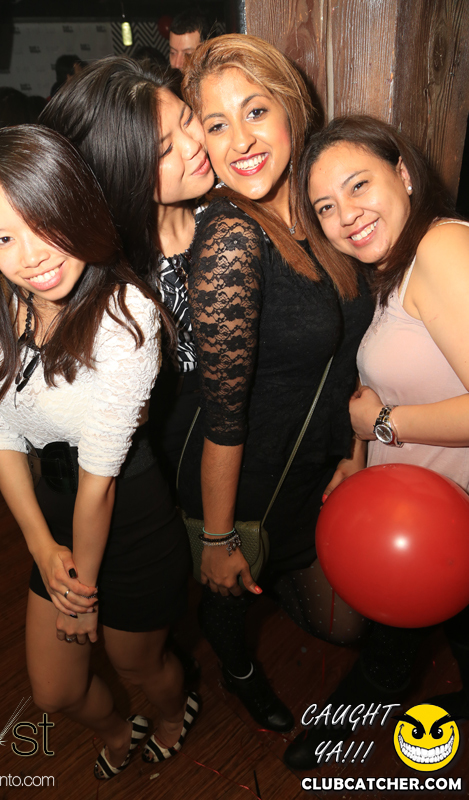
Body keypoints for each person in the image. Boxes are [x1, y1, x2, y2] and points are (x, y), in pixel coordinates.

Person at [0, 125, 198, 781]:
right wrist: (41, 546)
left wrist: (81, 594)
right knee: (55, 692)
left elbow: (102, 482)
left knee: (137, 664)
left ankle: (171, 712)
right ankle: (120, 727)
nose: (30, 255)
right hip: (54, 510)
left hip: (129, 513)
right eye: (3, 238)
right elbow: (0, 431)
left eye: (43, 222)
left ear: (76, 204)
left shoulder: (126, 314)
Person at [178, 35, 375, 733]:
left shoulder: (323, 210)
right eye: (216, 124)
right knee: (228, 596)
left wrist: (353, 453)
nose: (240, 141)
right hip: (246, 480)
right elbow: (222, 415)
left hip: (316, 466)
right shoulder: (232, 239)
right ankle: (234, 665)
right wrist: (218, 537)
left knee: (347, 625)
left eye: (255, 111)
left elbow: (354, 355)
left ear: (291, 107)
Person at [284, 114, 469, 768]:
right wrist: (359, 453)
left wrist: (382, 425)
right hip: (422, 513)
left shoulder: (442, 248)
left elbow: (382, 408)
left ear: (405, 174)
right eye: (325, 207)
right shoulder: (391, 266)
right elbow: (384, 380)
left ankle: (331, 733)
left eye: (358, 185)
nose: (346, 215)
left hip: (446, 518)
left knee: (392, 647)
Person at [40, 56, 215, 490]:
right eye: (164, 149)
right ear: (122, 171)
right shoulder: (108, 276)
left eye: (187, 119)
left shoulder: (231, 214)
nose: (193, 145)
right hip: (164, 463)